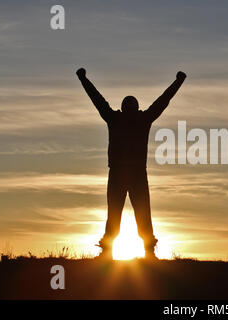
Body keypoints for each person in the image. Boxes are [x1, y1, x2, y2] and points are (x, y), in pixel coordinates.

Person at [76, 67, 187, 259]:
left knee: (118, 214)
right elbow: (163, 101)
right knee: (137, 213)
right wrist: (178, 81)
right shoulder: (141, 119)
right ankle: (145, 251)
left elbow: (97, 99)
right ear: (135, 108)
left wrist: (83, 79)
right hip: (133, 173)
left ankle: (116, 251)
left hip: (122, 172)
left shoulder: (116, 118)